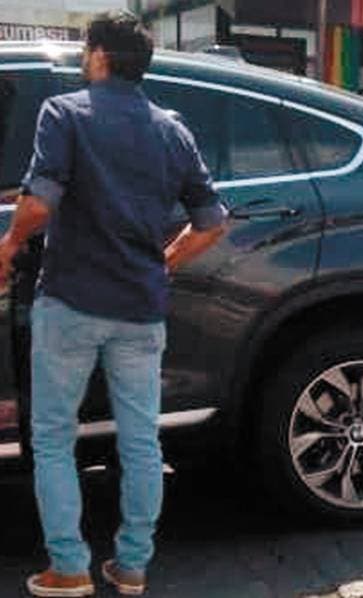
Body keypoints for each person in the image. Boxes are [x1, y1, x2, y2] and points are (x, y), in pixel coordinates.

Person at [0, 11, 227, 596]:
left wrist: (8, 245)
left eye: (86, 50)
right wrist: (163, 262)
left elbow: (39, 202)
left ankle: (69, 566)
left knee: (54, 438)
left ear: (99, 55)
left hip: (71, 301)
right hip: (140, 309)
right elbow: (211, 222)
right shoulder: (172, 131)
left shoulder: (64, 113)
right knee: (140, 440)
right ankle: (131, 566)